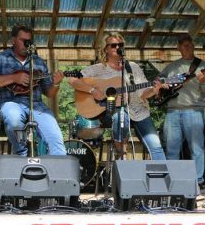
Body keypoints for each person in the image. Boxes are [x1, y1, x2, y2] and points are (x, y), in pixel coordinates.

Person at [68, 32, 166, 160]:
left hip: (139, 110)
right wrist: (92, 90)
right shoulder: (97, 69)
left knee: (156, 146)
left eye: (121, 45)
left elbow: (143, 93)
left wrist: (154, 90)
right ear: (106, 49)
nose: (118, 47)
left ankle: (163, 176)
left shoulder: (133, 67)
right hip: (110, 111)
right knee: (121, 115)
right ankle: (121, 153)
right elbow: (72, 80)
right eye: (114, 45)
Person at [0, 24, 66, 156]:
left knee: (56, 138)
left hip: (37, 105)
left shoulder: (38, 62)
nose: (26, 44)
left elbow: (49, 93)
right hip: (10, 102)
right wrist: (14, 78)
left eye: (29, 41)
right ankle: (21, 155)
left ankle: (58, 173)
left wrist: (56, 84)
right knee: (13, 119)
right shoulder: (1, 57)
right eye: (23, 41)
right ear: (13, 40)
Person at [159, 33, 205, 183]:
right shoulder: (171, 66)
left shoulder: (203, 66)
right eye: (183, 45)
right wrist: (163, 85)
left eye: (189, 44)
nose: (186, 47)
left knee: (197, 148)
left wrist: (204, 82)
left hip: (194, 110)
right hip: (172, 111)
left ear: (193, 46)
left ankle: (198, 181)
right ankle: (172, 181)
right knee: (171, 148)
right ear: (178, 48)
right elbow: (158, 83)